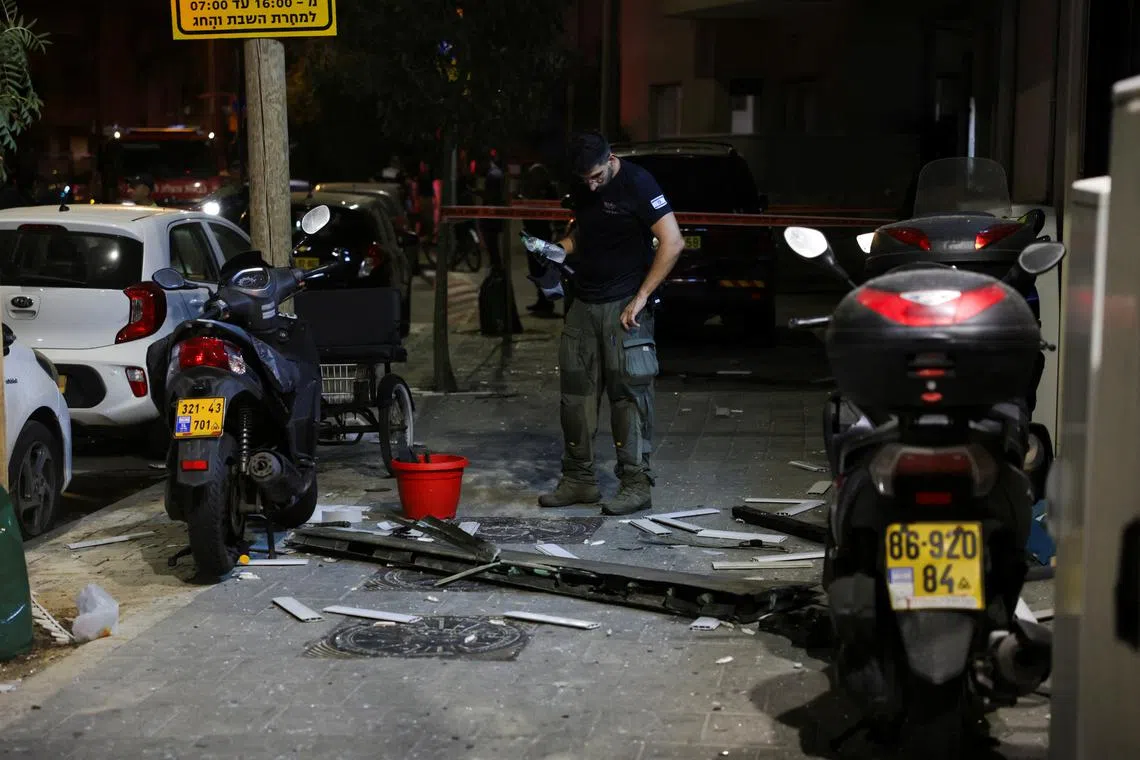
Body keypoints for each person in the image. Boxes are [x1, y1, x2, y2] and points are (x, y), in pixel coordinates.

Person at [535, 131, 684, 515]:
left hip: (624, 306)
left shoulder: (638, 182)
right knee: (576, 397)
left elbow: (673, 242)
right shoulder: (583, 183)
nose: (591, 185)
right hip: (583, 302)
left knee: (628, 397)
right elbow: (583, 232)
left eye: (597, 177)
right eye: (584, 179)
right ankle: (579, 480)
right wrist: (556, 251)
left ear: (611, 159)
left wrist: (642, 296)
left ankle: (636, 484)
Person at [521, 163, 559, 315]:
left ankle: (547, 304)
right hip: (531, 234)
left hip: (541, 235)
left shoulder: (548, 190)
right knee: (535, 269)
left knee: (543, 269)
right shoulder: (532, 190)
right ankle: (541, 301)